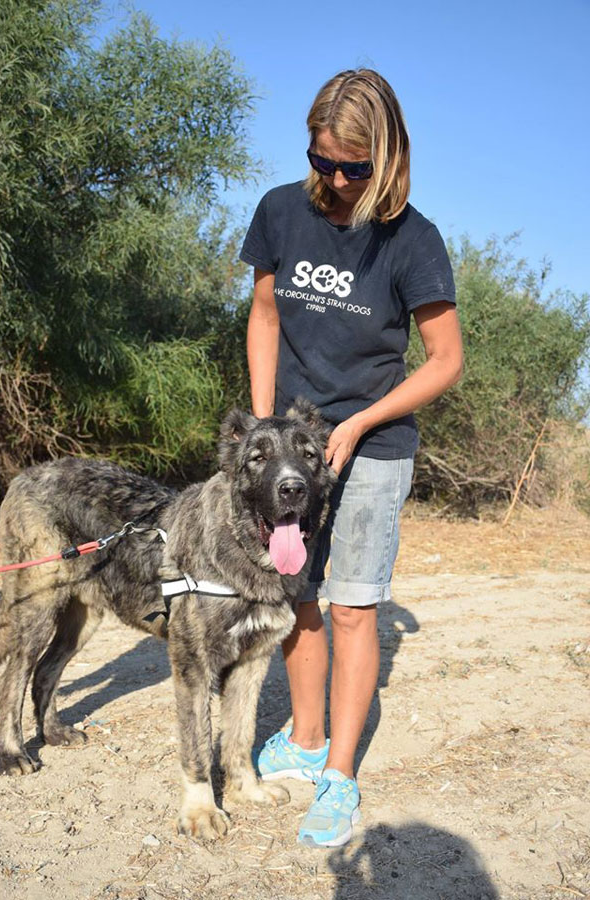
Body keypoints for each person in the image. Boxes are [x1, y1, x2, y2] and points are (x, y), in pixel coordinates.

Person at [240, 68, 463, 848]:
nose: (334, 180)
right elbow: (264, 314)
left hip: (371, 446)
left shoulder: (413, 240)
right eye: (322, 159)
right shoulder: (279, 211)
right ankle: (302, 740)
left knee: (353, 605)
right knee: (295, 590)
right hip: (293, 440)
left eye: (353, 168)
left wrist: (362, 421)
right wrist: (267, 425)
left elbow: (444, 361)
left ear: (387, 158)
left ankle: (339, 774)